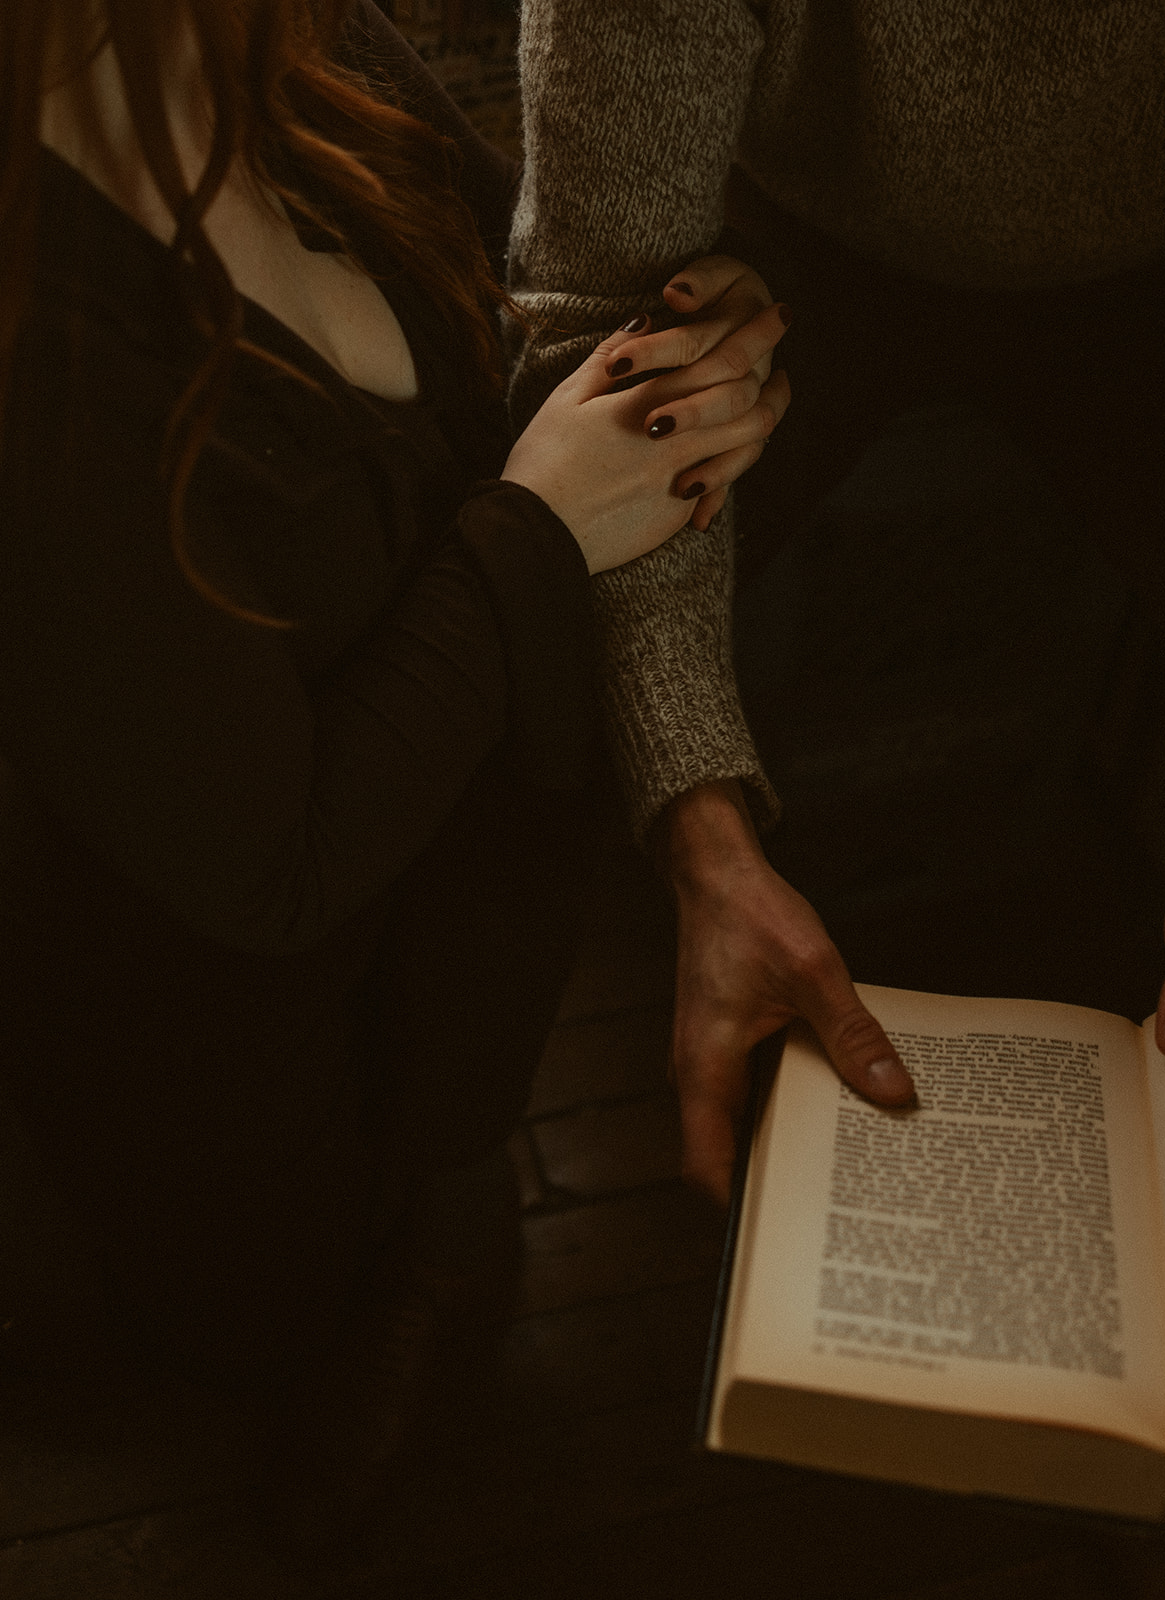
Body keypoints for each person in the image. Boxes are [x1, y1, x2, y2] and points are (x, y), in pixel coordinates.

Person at [507, 0, 1165, 1202]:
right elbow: (598, 346)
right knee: (511, 651)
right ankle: (452, 1204)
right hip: (765, 250)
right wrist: (699, 833)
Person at [0, 0, 789, 1463]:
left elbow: (521, 297)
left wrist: (677, 354)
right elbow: (269, 874)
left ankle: (445, 1241)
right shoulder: (39, 334)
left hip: (460, 861)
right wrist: (544, 523)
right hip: (219, 1020)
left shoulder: (285, 40)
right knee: (257, 1314)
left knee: (454, 1114)